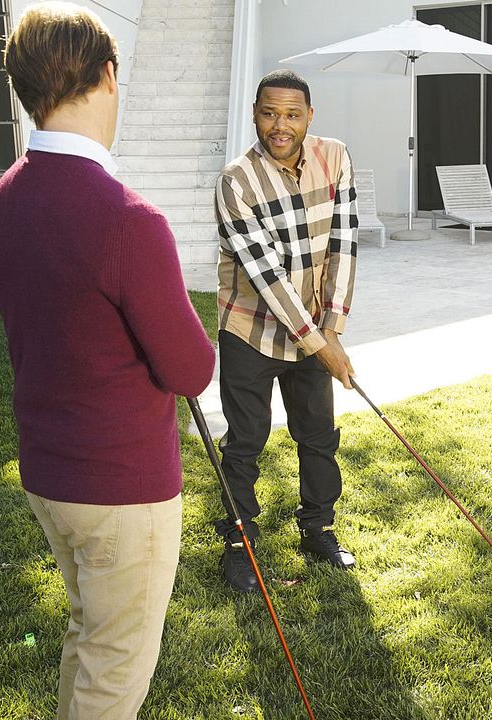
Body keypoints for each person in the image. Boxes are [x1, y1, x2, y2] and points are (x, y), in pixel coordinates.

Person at [0, 3, 216, 718]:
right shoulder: (127, 219)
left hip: (49, 474)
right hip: (121, 490)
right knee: (114, 675)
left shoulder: (5, 198)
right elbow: (191, 370)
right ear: (109, 74)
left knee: (91, 638)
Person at [213, 69, 358, 593]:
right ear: (254, 114)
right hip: (250, 330)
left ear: (309, 117)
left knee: (318, 436)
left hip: (317, 329)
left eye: (292, 115)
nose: (281, 125)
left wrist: (334, 326)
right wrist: (322, 345)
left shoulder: (335, 157)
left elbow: (343, 241)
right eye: (270, 113)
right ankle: (239, 545)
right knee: (245, 443)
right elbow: (266, 276)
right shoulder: (236, 181)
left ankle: (317, 529)